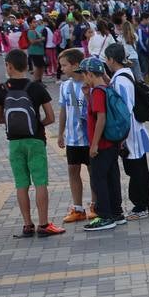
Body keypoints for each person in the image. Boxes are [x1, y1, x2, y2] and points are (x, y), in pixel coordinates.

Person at [0, 49, 64, 238]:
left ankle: (27, 225)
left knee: (21, 184)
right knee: (40, 182)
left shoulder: (1, 89)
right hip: (36, 141)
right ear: (27, 65)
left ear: (8, 66)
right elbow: (50, 117)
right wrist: (37, 125)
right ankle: (43, 224)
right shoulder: (36, 87)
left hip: (14, 143)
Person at [106, 44, 149, 219]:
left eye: (107, 58)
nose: (106, 62)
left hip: (129, 132)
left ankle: (140, 206)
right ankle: (146, 205)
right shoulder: (125, 74)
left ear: (111, 59)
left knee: (135, 170)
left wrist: (122, 136)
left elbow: (124, 109)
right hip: (134, 129)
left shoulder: (120, 80)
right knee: (139, 168)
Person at [77, 56, 124, 231]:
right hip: (112, 143)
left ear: (90, 74)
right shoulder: (105, 89)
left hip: (102, 144)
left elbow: (100, 118)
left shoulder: (98, 91)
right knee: (112, 177)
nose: (83, 78)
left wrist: (94, 144)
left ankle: (105, 215)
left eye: (83, 74)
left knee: (98, 179)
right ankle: (116, 212)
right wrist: (87, 96)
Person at [55, 48, 95, 223]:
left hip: (89, 138)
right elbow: (63, 110)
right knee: (73, 170)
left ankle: (95, 205)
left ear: (76, 65)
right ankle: (78, 208)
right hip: (72, 138)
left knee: (94, 171)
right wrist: (60, 133)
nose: (61, 68)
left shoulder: (90, 84)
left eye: (64, 65)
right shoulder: (65, 86)